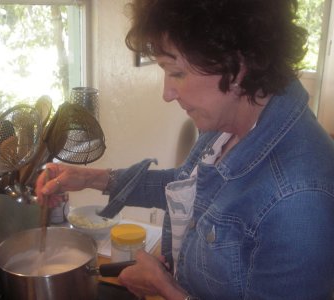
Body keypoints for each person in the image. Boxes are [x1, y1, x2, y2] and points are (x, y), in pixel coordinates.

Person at [35, 0, 334, 299]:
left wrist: (166, 288)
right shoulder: (229, 121)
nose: (167, 93)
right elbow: (186, 184)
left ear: (238, 63)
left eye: (176, 72)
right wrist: (90, 179)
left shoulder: (300, 199)